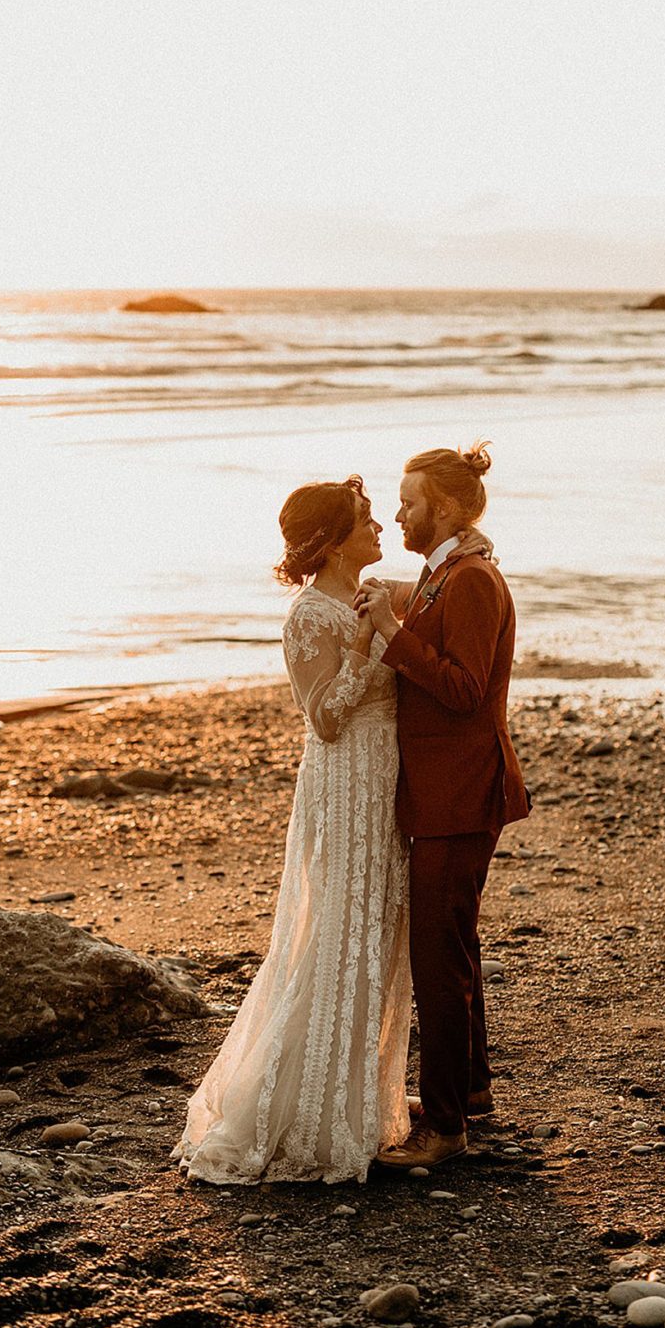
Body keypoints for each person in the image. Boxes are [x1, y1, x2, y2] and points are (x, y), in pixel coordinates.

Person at [177, 478, 484, 1183]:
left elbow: (441, 583)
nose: (380, 526)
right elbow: (325, 716)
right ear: (332, 539)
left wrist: (472, 543)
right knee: (338, 933)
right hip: (343, 785)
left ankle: (359, 1099)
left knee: (377, 932)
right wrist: (370, 647)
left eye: (381, 515)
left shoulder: (373, 592)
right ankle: (300, 1108)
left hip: (386, 785)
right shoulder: (309, 616)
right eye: (366, 520)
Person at [358, 442, 530, 1170]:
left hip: (463, 791)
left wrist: (393, 636)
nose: (399, 512)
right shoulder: (444, 573)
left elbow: (463, 689)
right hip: (444, 791)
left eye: (410, 502)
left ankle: (448, 1129)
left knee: (439, 954)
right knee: (454, 945)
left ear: (449, 510)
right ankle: (470, 1091)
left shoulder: (473, 582)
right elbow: (420, 603)